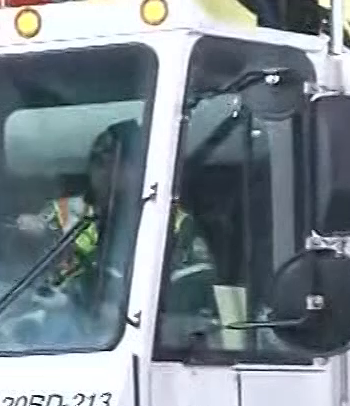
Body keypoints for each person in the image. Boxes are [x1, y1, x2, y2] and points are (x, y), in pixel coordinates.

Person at [26, 120, 215, 340]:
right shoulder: (63, 212)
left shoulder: (172, 223)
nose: (106, 173)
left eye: (118, 163)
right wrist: (27, 238)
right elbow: (19, 272)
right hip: (56, 337)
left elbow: (189, 299)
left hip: (135, 340)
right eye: (99, 163)